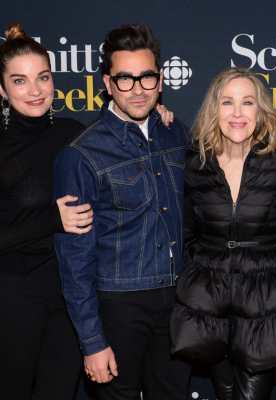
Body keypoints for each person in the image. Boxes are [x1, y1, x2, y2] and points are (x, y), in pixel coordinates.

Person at [52, 23, 192, 400]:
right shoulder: (81, 154)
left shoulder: (175, 132)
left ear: (160, 81)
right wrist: (92, 341)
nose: (137, 89)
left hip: (178, 300)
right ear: (108, 83)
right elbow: (74, 259)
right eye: (125, 79)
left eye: (146, 78)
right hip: (118, 306)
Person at [169, 66, 276, 400]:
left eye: (247, 102)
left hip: (264, 297)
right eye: (227, 102)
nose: (237, 113)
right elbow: (183, 228)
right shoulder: (194, 163)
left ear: (261, 111)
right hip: (209, 298)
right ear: (215, 109)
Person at [0, 23, 94, 400]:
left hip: (71, 289)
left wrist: (159, 115)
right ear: (2, 89)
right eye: (20, 81)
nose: (35, 90)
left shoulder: (76, 132)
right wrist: (50, 222)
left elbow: (128, 143)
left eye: (43, 77)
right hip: (14, 290)